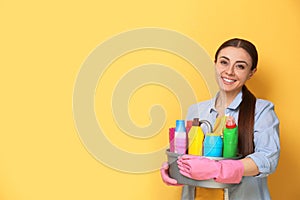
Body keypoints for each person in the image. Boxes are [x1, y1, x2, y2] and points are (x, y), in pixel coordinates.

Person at [160, 38, 280, 200]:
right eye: (224, 62)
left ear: (251, 72)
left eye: (240, 66)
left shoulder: (261, 110)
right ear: (215, 63)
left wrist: (218, 169)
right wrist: (174, 169)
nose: (229, 71)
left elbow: (267, 159)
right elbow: (185, 153)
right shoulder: (196, 110)